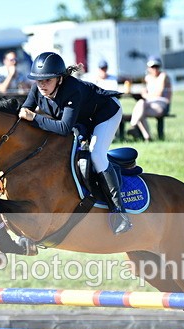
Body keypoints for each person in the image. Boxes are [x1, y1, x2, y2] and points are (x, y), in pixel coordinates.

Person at [18, 51, 131, 235]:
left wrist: (35, 118)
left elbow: (63, 128)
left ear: (59, 79)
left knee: (96, 153)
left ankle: (119, 211)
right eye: (39, 81)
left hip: (106, 113)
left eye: (47, 80)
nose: (42, 85)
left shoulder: (72, 89)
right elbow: (25, 112)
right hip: (82, 119)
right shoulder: (37, 89)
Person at [126, 56, 172, 142]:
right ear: (148, 68)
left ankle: (133, 126)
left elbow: (158, 94)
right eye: (152, 67)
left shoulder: (163, 76)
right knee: (140, 108)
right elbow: (145, 91)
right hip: (150, 104)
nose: (155, 69)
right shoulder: (148, 78)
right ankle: (147, 137)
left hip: (161, 104)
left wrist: (145, 95)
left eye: (156, 66)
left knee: (139, 110)